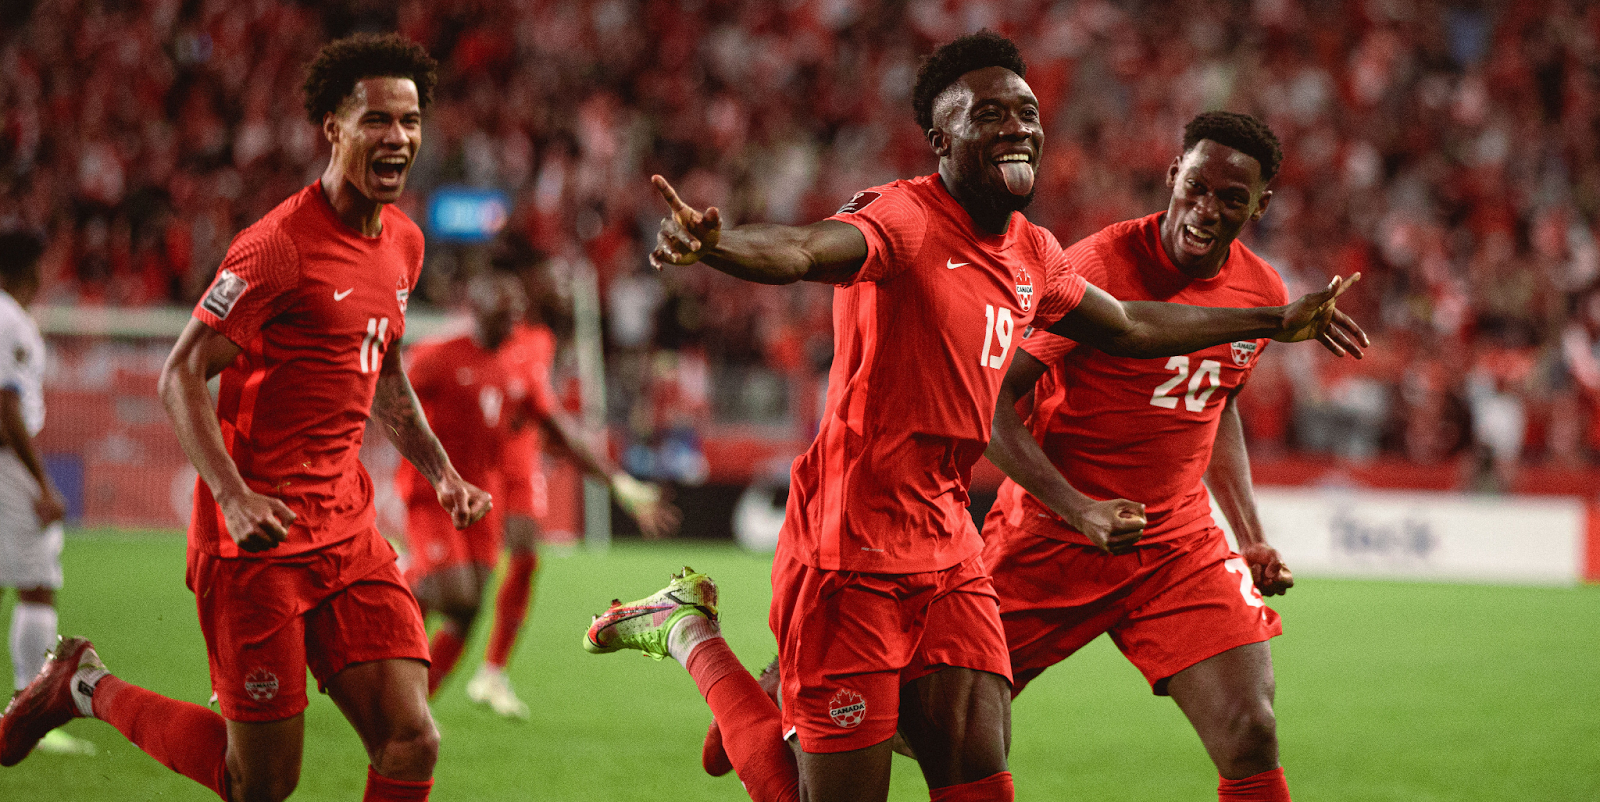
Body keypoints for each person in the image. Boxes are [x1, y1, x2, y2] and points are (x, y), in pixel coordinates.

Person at [581, 30, 1364, 802]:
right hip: (853, 545)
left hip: (954, 546)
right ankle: (695, 639)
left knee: (996, 780)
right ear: (940, 138)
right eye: (988, 115)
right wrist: (719, 249)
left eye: (1024, 110)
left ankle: (779, 686)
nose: (1016, 125)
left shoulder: (1034, 252)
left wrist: (1271, 324)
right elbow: (801, 251)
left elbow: (1132, 330)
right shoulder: (906, 220)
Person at [0, 33, 490, 802]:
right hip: (255, 545)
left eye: (411, 120)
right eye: (377, 121)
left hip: (348, 531)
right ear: (333, 128)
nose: (398, 137)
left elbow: (383, 368)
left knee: (411, 740)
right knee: (257, 784)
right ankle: (82, 686)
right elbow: (181, 373)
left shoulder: (404, 242)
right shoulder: (278, 249)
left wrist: (443, 473)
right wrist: (232, 497)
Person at [981, 111, 1299, 802]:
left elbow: (1218, 402)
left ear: (1260, 204)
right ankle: (777, 698)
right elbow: (991, 403)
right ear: (1171, 176)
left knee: (1251, 730)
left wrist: (1250, 536)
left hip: (1176, 546)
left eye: (1231, 198)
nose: (1206, 210)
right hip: (1048, 538)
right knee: (927, 731)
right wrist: (1078, 509)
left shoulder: (1262, 292)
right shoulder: (1093, 267)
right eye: (1196, 186)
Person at [401, 265, 678, 714]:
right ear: (479, 310)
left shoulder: (521, 361)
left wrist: (621, 484)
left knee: (471, 607)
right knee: (454, 593)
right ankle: (395, 585)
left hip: (483, 492)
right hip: (434, 490)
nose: (513, 322)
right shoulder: (437, 356)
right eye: (504, 313)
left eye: (516, 314)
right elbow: (390, 399)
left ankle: (415, 707)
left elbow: (560, 431)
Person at [0, 231, 91, 758]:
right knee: (37, 584)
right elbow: (6, 406)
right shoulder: (10, 318)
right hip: (8, 463)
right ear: (28, 268)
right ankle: (27, 710)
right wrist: (40, 482)